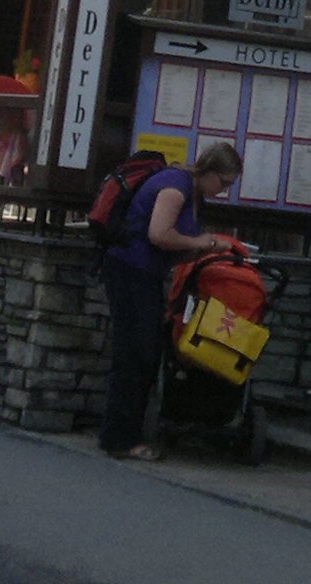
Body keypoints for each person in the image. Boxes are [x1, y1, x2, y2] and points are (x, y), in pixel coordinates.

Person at [97, 139, 242, 459]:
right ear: (211, 171)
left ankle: (123, 434)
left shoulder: (192, 192)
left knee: (144, 351)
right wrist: (200, 241)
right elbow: (159, 234)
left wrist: (201, 249)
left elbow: (168, 248)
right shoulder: (177, 186)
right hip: (130, 270)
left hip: (144, 272)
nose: (225, 189)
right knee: (136, 353)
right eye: (225, 182)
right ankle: (120, 437)